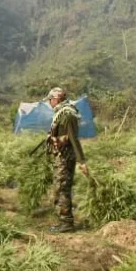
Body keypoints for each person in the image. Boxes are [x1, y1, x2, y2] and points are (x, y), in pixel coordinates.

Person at [45, 87, 89, 233]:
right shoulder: (60, 113)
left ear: (56, 99)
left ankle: (67, 223)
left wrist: (81, 161)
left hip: (66, 156)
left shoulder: (67, 115)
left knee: (62, 188)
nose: (49, 102)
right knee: (60, 188)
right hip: (61, 155)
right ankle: (63, 221)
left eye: (50, 100)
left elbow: (73, 139)